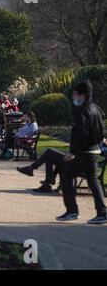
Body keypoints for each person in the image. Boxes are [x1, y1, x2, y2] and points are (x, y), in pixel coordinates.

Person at [54, 80, 107, 224]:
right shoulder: (96, 108)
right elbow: (102, 130)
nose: (73, 97)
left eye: (76, 94)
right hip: (94, 150)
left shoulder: (81, 110)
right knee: (93, 181)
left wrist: (73, 152)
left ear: (83, 95)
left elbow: (81, 132)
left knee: (66, 177)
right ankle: (102, 213)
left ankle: (72, 210)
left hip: (84, 152)